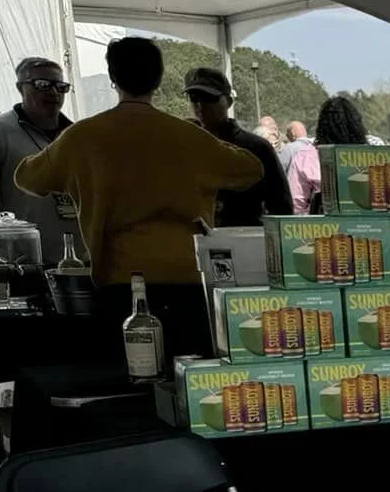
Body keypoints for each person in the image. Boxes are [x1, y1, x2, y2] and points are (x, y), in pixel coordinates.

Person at [14, 37, 261, 358]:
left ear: (113, 78)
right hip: (189, 276)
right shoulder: (188, 136)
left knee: (131, 376)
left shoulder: (82, 136)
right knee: (189, 373)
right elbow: (250, 169)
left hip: (120, 281)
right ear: (158, 80)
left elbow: (26, 178)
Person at [0, 55, 83, 264]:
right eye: (42, 84)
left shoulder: (78, 135)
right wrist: (3, 256)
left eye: (61, 87)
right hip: (24, 263)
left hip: (82, 259)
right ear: (20, 87)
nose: (53, 92)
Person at [183, 67, 294, 228]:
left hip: (245, 238)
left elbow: (282, 207)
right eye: (194, 98)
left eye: (208, 97)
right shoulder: (185, 146)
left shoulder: (257, 148)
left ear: (228, 101)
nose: (200, 104)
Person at [287, 96, 367, 213]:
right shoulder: (371, 156)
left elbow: (296, 206)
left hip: (321, 223)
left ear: (322, 126)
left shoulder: (305, 158)